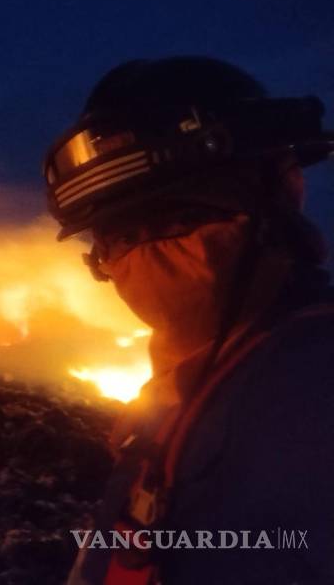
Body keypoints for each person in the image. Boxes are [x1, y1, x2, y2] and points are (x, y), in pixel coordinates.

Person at [42, 57, 334, 584]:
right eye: (120, 237)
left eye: (180, 218)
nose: (144, 256)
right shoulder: (172, 405)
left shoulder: (315, 386)